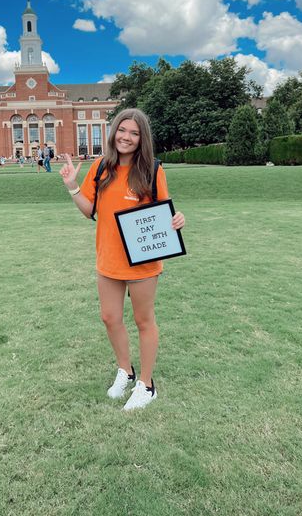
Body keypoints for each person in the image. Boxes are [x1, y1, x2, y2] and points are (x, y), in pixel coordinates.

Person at [60, 108, 185, 411]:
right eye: (122, 130)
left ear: (142, 139)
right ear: (113, 132)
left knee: (144, 321)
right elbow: (90, 211)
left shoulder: (152, 170)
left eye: (134, 133)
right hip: (109, 258)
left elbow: (162, 212)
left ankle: (147, 385)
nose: (126, 137)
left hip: (142, 262)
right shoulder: (102, 167)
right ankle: (125, 371)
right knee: (110, 317)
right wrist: (72, 187)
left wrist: (177, 219)